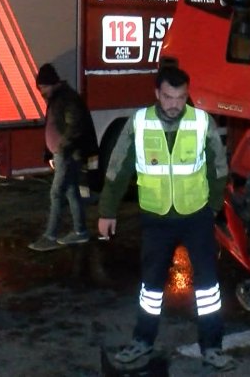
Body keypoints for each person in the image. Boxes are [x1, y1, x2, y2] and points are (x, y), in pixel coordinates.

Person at [97, 66, 234, 370]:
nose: (174, 104)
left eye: (181, 97)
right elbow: (118, 169)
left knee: (208, 287)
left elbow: (219, 168)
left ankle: (212, 346)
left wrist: (212, 207)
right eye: (169, 97)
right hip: (156, 219)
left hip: (196, 216)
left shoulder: (201, 122)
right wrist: (107, 211)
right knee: (151, 287)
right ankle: (142, 341)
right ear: (157, 93)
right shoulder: (139, 123)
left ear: (188, 95)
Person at [29, 63, 100, 251]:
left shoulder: (66, 99)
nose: (41, 91)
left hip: (68, 155)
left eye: (43, 87)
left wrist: (60, 149)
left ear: (52, 83)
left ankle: (50, 236)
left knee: (56, 193)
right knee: (71, 192)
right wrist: (51, 152)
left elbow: (74, 127)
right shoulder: (58, 98)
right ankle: (80, 231)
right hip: (63, 154)